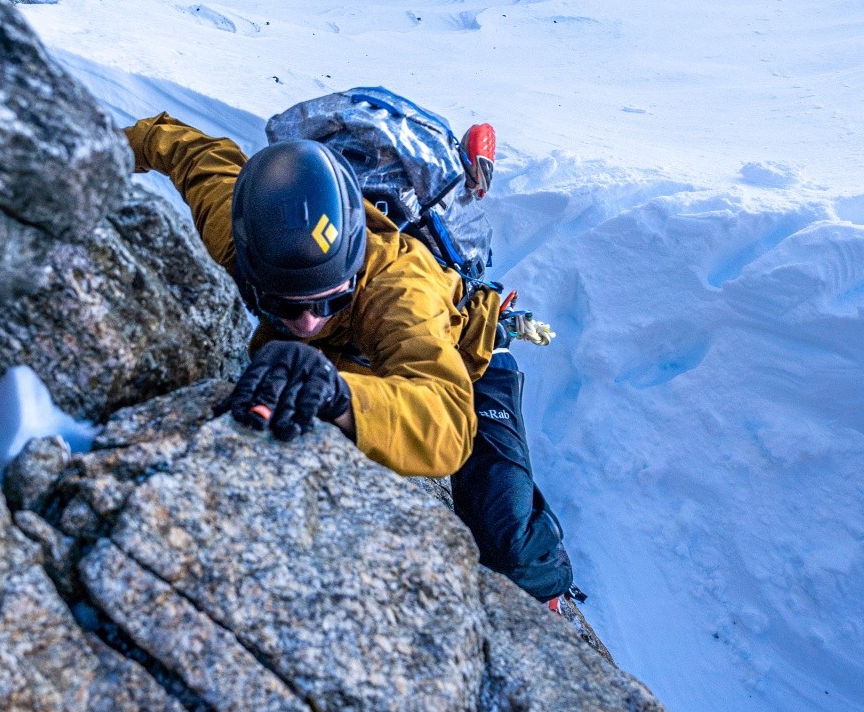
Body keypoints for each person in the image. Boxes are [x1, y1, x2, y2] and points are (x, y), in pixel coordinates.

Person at [125, 113, 576, 608]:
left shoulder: (401, 287)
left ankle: (550, 576)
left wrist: (340, 395)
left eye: (330, 301)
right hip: (361, 361)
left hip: (471, 352)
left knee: (511, 552)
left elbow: (446, 420)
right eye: (283, 306)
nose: (309, 324)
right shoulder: (239, 229)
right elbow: (181, 148)